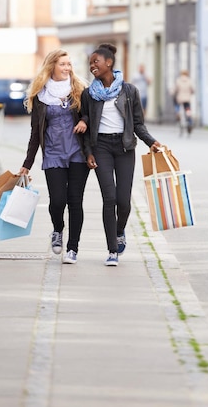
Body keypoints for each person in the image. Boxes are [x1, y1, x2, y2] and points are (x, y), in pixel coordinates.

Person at [80, 43, 161, 267]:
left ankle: (119, 230)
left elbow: (137, 124)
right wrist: (88, 152)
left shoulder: (129, 91)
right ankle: (112, 250)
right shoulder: (89, 94)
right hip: (101, 148)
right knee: (110, 199)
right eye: (90, 63)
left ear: (109, 63)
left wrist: (151, 142)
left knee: (124, 202)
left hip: (125, 148)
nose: (92, 66)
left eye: (95, 62)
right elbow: (86, 127)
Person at [19, 49, 89, 264]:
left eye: (69, 64)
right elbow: (34, 133)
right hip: (53, 153)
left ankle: (73, 249)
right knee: (58, 201)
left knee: (75, 201)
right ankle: (58, 229)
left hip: (77, 153)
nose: (67, 68)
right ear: (52, 66)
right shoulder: (40, 95)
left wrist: (84, 120)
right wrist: (27, 164)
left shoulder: (80, 89)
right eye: (63, 64)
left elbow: (92, 113)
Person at [174, 69, 195, 134]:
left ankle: (178, 113)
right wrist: (190, 93)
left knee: (177, 105)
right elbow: (193, 90)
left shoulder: (178, 80)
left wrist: (173, 93)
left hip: (180, 98)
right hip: (187, 99)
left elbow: (175, 89)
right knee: (187, 109)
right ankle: (189, 119)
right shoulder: (189, 80)